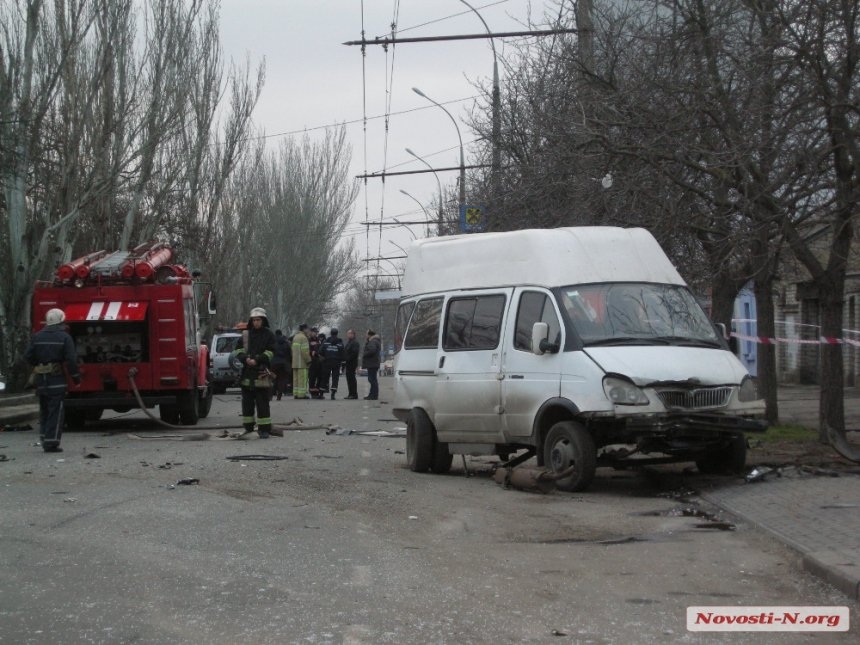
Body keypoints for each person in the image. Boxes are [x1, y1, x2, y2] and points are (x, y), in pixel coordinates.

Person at [24, 308, 81, 452]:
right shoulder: (64, 337)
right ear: (61, 320)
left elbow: (28, 356)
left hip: (41, 382)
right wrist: (76, 379)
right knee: (56, 412)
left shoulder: (37, 337)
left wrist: (39, 365)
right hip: (57, 381)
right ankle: (51, 443)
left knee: (44, 410)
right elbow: (71, 360)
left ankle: (44, 438)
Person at [234, 307, 276, 438]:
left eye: (258, 320)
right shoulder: (245, 335)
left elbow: (271, 352)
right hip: (247, 374)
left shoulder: (269, 335)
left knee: (262, 403)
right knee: (247, 403)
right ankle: (248, 427)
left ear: (263, 320)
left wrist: (257, 360)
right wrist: (245, 359)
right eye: (254, 320)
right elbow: (238, 350)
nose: (256, 322)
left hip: (261, 373)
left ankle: (264, 429)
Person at [320, 328, 345, 399]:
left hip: (327, 362)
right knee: (335, 378)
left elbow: (320, 351)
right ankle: (333, 394)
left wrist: (324, 358)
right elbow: (343, 354)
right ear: (337, 334)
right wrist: (343, 364)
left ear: (331, 333)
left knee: (325, 377)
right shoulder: (340, 343)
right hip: (336, 363)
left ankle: (321, 393)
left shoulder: (326, 342)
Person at [291, 324, 311, 399]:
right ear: (304, 329)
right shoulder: (304, 338)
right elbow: (304, 351)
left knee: (295, 379)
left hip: (295, 362)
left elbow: (292, 349)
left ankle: (296, 393)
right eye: (308, 329)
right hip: (302, 362)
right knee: (302, 379)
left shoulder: (295, 337)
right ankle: (302, 395)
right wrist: (308, 360)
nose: (308, 331)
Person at [271, 329, 290, 401]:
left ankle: (270, 396)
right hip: (283, 363)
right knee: (281, 380)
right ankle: (279, 396)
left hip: (273, 363)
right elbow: (289, 353)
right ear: (281, 334)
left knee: (272, 379)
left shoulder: (271, 342)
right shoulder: (285, 342)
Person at [362, 329, 381, 400]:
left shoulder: (373, 342)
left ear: (370, 335)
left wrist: (365, 354)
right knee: (372, 379)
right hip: (373, 363)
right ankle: (372, 394)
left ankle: (373, 395)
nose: (365, 335)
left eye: (366, 334)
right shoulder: (375, 341)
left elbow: (372, 350)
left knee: (372, 380)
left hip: (372, 363)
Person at [343, 329, 360, 399]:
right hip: (348, 363)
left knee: (352, 379)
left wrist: (347, 358)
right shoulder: (349, 342)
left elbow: (354, 353)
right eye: (347, 334)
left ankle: (354, 394)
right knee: (349, 379)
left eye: (349, 334)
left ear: (353, 334)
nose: (348, 335)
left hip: (352, 363)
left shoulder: (355, 343)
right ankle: (350, 393)